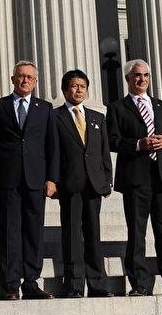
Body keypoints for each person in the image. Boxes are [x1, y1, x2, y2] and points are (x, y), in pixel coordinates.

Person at [106, 59, 162, 297]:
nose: (142, 79)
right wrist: (138, 144)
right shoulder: (117, 108)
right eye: (137, 75)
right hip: (135, 178)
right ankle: (140, 283)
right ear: (128, 79)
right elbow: (112, 140)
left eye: (145, 75)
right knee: (137, 232)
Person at [0, 60, 58, 300]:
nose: (24, 80)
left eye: (29, 77)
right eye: (21, 76)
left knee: (34, 231)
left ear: (35, 82)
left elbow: (52, 146)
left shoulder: (45, 108)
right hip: (7, 179)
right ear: (13, 79)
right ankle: (10, 284)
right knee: (9, 232)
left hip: (36, 179)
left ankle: (31, 282)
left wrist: (52, 178)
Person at [53, 69, 113, 298]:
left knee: (93, 234)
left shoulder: (97, 117)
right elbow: (52, 152)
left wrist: (107, 179)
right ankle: (74, 285)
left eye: (82, 86)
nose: (78, 90)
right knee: (71, 236)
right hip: (69, 183)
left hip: (94, 184)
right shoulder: (55, 117)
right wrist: (53, 180)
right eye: (74, 86)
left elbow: (104, 151)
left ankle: (98, 284)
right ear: (65, 90)